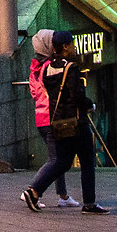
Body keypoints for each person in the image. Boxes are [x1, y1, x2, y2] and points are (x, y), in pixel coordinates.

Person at [22, 36, 104, 213]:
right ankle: (89, 203)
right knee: (87, 160)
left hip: (57, 121)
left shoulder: (48, 68)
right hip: (76, 122)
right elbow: (77, 96)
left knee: (63, 161)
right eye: (72, 44)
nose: (74, 47)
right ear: (65, 47)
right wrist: (90, 105)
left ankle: (34, 191)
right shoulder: (70, 68)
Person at [24, 30, 77, 206]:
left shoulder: (34, 69)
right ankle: (32, 190)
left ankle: (62, 196)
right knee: (57, 160)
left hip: (40, 117)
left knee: (57, 158)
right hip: (52, 116)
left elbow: (34, 93)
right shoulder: (51, 67)